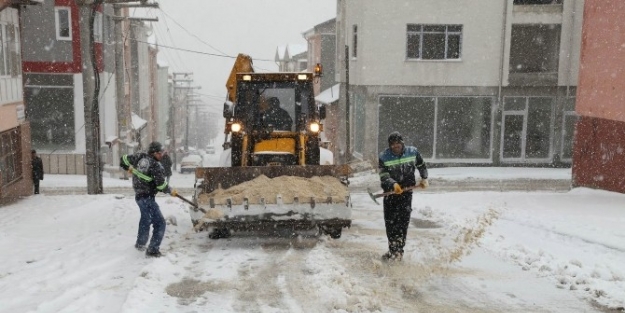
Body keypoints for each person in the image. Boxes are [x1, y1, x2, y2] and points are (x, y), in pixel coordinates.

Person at [120, 141, 178, 258]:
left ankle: (140, 244)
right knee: (160, 223)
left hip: (139, 196)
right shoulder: (156, 166)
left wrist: (128, 168)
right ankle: (152, 250)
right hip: (147, 197)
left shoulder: (139, 156)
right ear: (154, 152)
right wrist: (170, 190)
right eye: (160, 153)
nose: (162, 155)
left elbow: (123, 159)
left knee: (146, 220)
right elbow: (161, 185)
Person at [378, 131, 428, 262]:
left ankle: (399, 252)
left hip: (406, 193)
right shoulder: (384, 156)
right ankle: (392, 250)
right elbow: (384, 176)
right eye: (393, 145)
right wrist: (393, 184)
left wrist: (424, 178)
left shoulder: (412, 152)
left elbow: (421, 165)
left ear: (402, 143)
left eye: (398, 143)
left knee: (402, 223)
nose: (396, 146)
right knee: (390, 223)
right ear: (390, 145)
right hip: (391, 195)